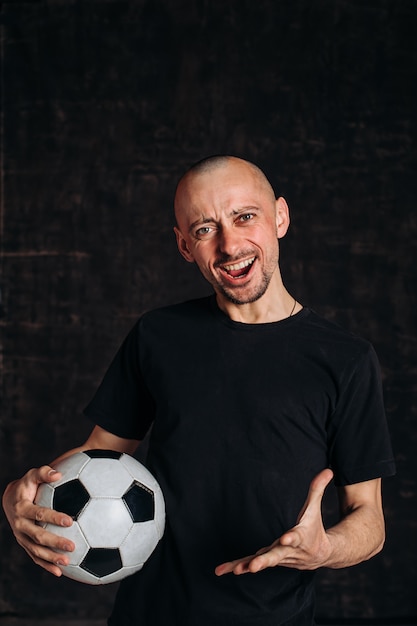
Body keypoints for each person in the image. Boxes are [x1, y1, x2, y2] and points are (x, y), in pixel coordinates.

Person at [2, 155, 395, 625]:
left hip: (273, 617)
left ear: (280, 217)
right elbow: (95, 460)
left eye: (244, 216)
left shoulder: (346, 359)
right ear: (184, 245)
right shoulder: (158, 336)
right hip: (149, 614)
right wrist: (15, 495)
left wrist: (325, 548)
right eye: (205, 228)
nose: (230, 245)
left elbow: (368, 518)